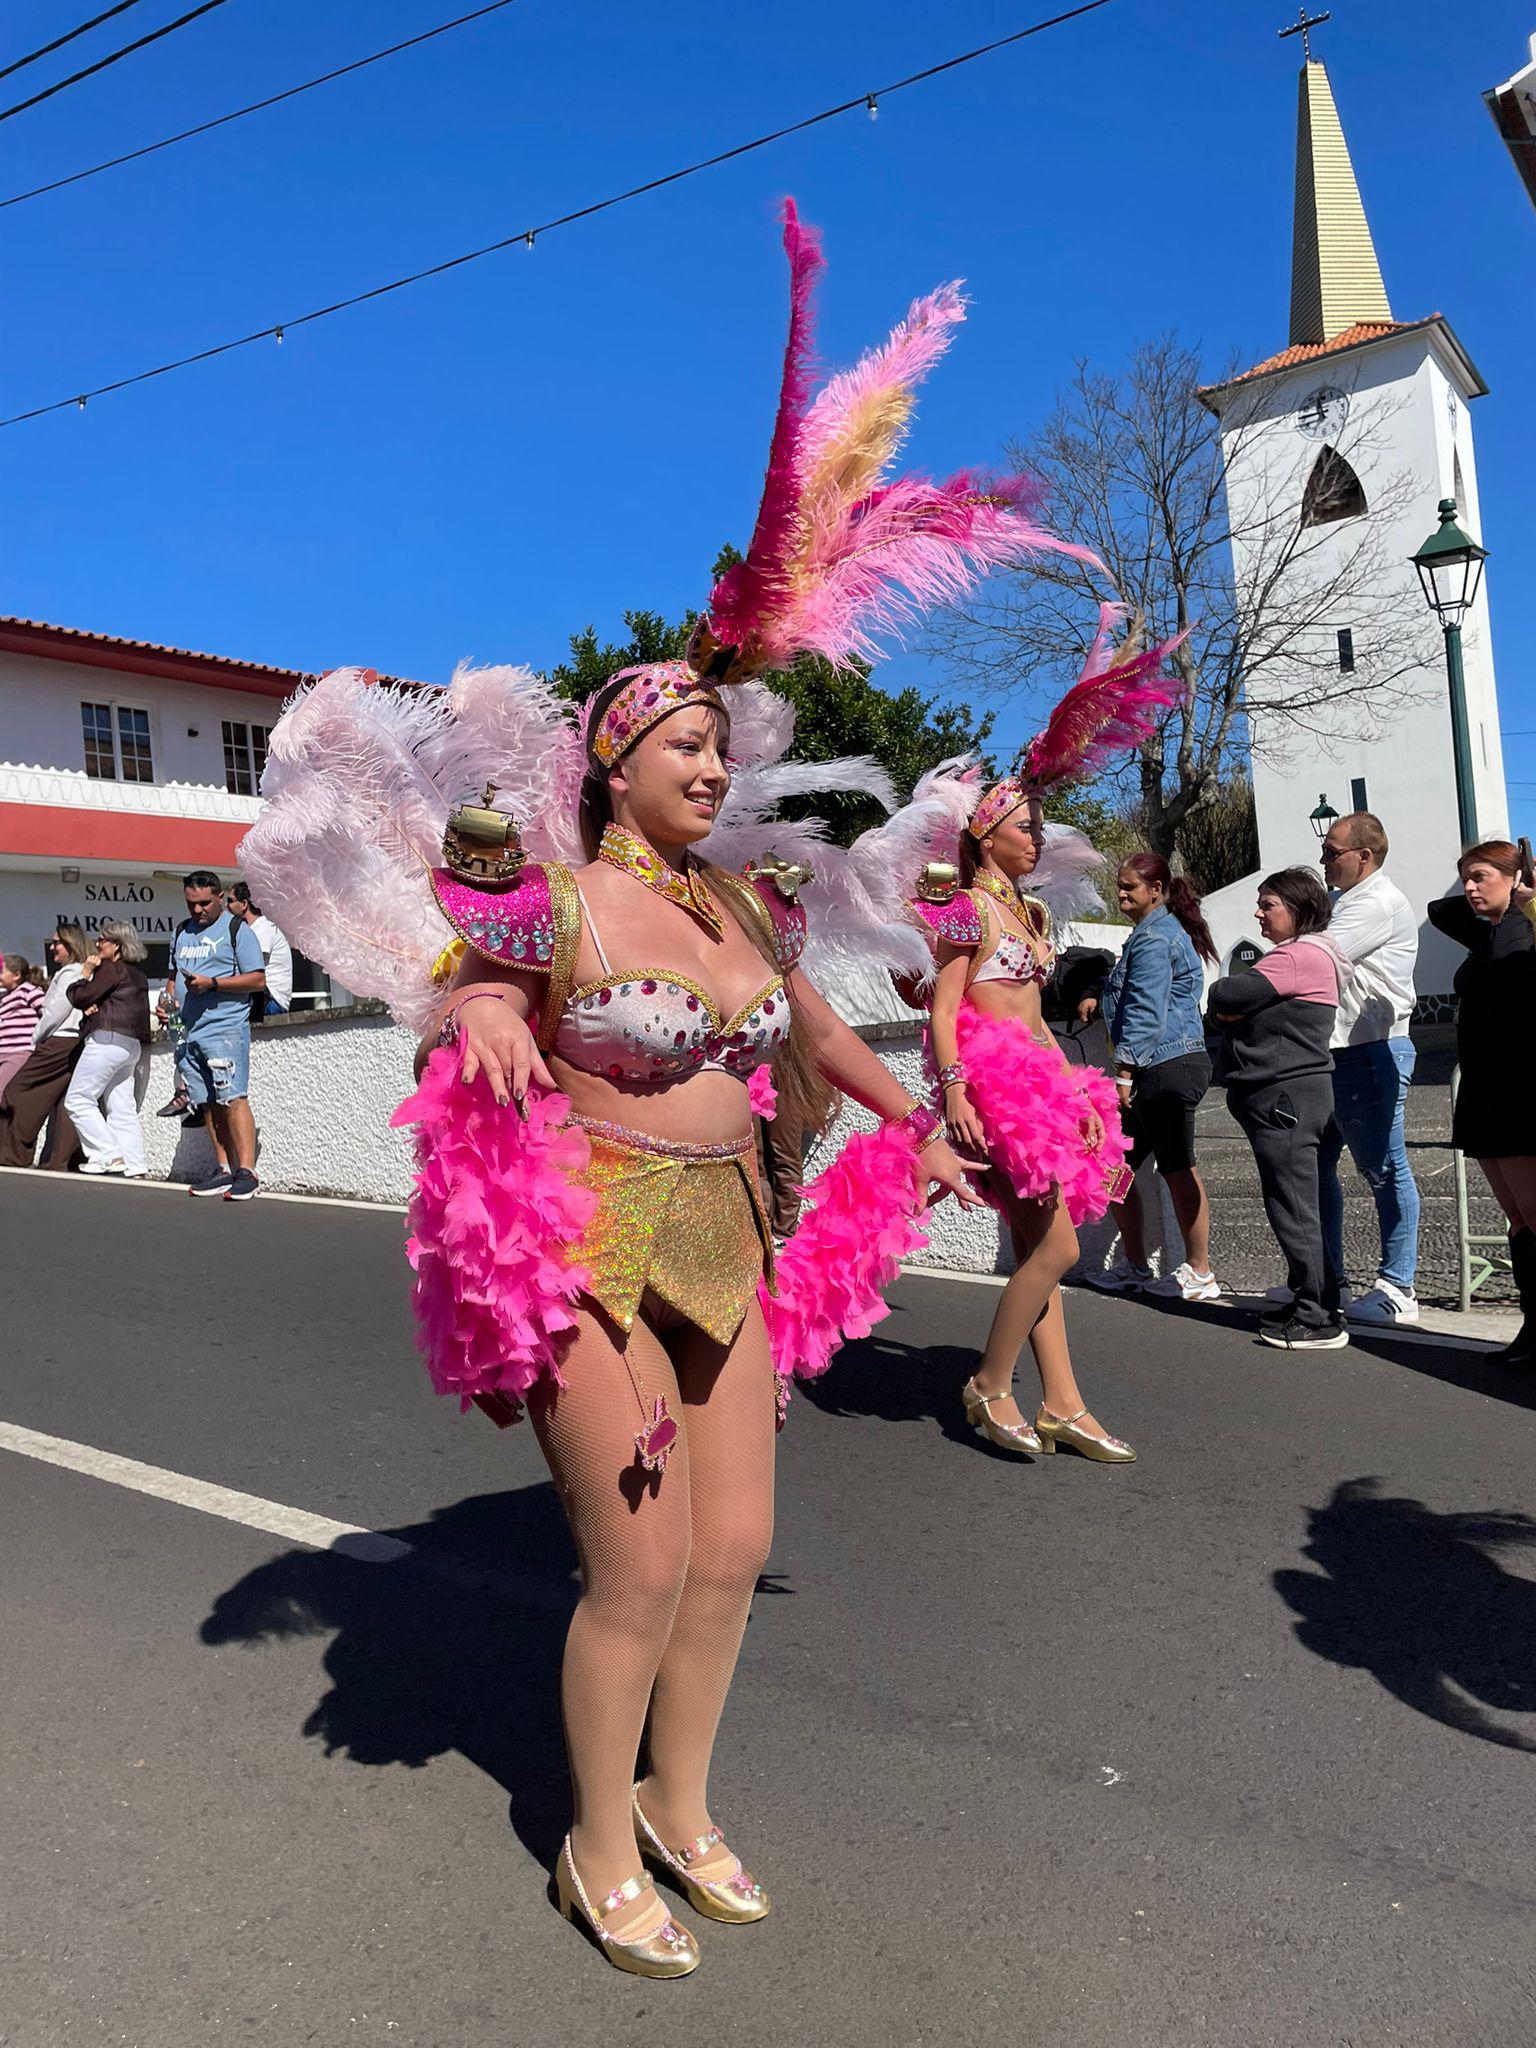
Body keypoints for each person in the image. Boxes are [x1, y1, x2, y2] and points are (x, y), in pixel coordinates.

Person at [238, 200, 1077, 1979]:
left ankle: (686, 1801)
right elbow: (472, 980)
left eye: (721, 746)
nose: (718, 764)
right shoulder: (555, 892)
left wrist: (927, 1114)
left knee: (730, 1552)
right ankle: (594, 1839)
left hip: (732, 1233)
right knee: (629, 1567)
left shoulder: (741, 903)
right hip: (590, 1239)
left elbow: (826, 1041)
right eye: (686, 747)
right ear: (618, 765)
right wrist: (475, 1012)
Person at [1208, 869, 1353, 1351]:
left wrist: (1236, 1011)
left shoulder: (1299, 955)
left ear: (1298, 908)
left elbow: (1225, 995)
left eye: (1268, 904)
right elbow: (1232, 1006)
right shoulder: (1307, 955)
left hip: (1284, 1097)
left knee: (1293, 1205)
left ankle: (1316, 1316)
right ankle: (1317, 1298)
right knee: (1296, 1202)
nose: (1258, 914)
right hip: (1292, 1094)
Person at [1427, 841, 1536, 1371]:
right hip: (1486, 1088)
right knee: (1517, 1219)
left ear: (1514, 880)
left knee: (1534, 1216)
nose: (1468, 888)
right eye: (1465, 877)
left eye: (1480, 877)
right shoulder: (1488, 930)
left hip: (1521, 1090)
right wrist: (1499, 893)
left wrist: (1525, 900)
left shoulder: (1524, 934)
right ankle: (1532, 1328)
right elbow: (1438, 910)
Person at [1095, 854, 1221, 1301]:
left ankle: (1200, 1270)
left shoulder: (1155, 939)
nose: (1121, 893)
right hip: (1158, 1065)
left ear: (1156, 890)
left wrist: (1125, 1071)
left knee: (1176, 1165)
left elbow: (1146, 1010)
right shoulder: (1147, 935)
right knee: (1115, 1166)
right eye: (1119, 885)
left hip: (1165, 1066)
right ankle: (1134, 1265)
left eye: (1130, 886)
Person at [1315, 811, 1423, 1327]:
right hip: (1339, 1051)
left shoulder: (1374, 903)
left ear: (1365, 855)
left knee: (1384, 1170)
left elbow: (1319, 960)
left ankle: (1398, 1287)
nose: (1323, 859)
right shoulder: (1346, 900)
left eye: (1332, 851)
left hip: (1370, 1050)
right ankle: (1328, 1279)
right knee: (1317, 1169)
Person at [158, 871, 266, 1200]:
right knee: (207, 1100)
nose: (199, 910)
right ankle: (223, 1169)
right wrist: (167, 1005)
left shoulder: (237, 930)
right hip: (190, 1030)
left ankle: (247, 1171)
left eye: (205, 903)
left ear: (219, 897)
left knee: (233, 1096)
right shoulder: (181, 931)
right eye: (192, 904)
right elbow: (174, 979)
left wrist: (214, 984)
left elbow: (257, 980)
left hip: (226, 1026)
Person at [61, 921, 152, 1177]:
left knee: (78, 1100)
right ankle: (135, 1164)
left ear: (118, 946)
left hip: (107, 1040)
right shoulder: (138, 974)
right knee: (121, 1107)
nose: (98, 944)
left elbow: (79, 997)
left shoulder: (110, 969)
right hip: (130, 1045)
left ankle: (108, 1154)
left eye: (103, 940)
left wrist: (85, 972)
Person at [0, 925, 90, 1169]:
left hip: (58, 1040)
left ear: (70, 945)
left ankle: (13, 1155)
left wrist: (36, 1036)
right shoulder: (80, 972)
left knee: (16, 1092)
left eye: (57, 943)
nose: (52, 948)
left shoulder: (69, 973)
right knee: (65, 1102)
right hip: (73, 1041)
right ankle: (61, 1160)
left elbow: (55, 1011)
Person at [227, 882, 294, 1015]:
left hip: (271, 1000)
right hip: (262, 998)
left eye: (230, 901)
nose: (226, 906)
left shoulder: (263, 928)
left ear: (244, 904)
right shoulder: (250, 930)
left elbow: (254, 966)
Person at [0, 955, 44, 1101]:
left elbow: (48, 1012)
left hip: (19, 1053)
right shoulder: (4, 998)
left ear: (16, 975)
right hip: (4, 1052)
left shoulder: (27, 991)